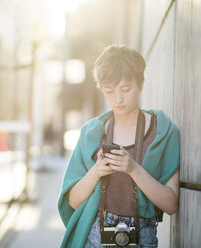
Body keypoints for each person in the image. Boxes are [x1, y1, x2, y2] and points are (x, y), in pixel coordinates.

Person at [58, 45, 180, 248]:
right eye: (109, 91)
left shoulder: (164, 132)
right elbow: (73, 201)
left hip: (143, 237)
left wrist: (133, 168)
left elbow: (170, 204)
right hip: (95, 236)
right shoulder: (92, 133)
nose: (118, 98)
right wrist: (96, 172)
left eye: (125, 89)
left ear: (141, 84)